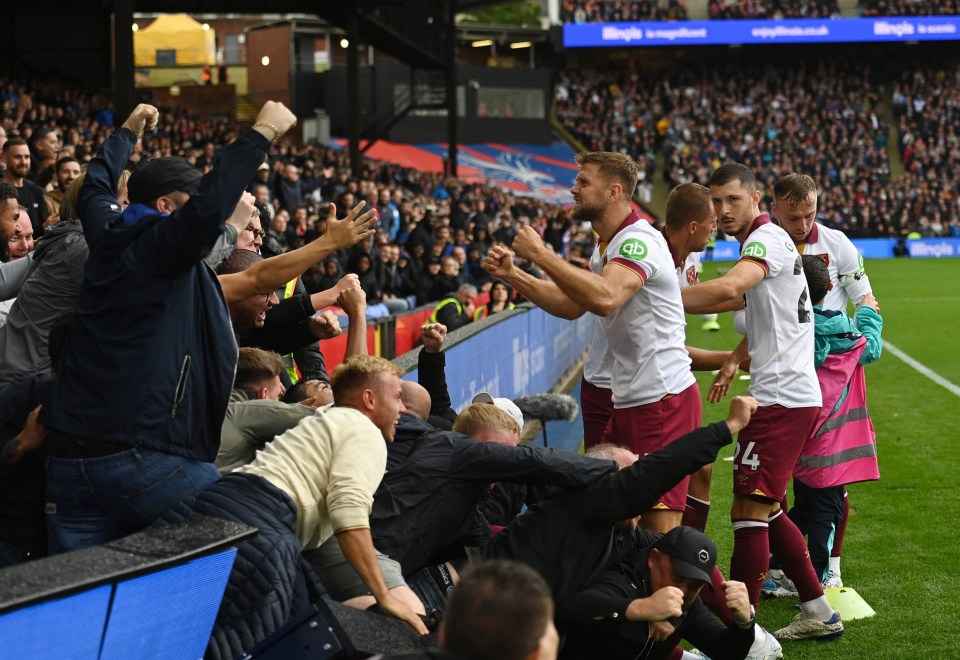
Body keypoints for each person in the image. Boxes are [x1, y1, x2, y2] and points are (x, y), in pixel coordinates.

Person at [40, 101, 376, 553]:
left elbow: (97, 183)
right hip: (140, 453)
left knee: (79, 599)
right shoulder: (161, 249)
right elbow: (207, 217)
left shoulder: (108, 231)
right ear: (164, 207)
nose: (206, 217)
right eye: (189, 202)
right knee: (253, 544)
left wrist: (127, 131)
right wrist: (262, 133)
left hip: (68, 459)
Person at [485, 151, 699, 535]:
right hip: (632, 397)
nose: (573, 188)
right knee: (612, 509)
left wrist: (540, 254)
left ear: (614, 191)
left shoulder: (638, 242)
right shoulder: (608, 245)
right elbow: (572, 306)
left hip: (662, 399)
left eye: (584, 182)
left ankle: (712, 597)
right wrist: (514, 275)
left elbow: (604, 297)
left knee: (657, 527)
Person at [161, 355, 428, 659]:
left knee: (303, 625)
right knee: (251, 648)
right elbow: (348, 513)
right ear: (369, 399)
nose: (403, 409)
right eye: (397, 398)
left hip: (224, 503)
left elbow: (352, 372)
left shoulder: (332, 416)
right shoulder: (365, 431)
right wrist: (384, 596)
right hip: (260, 524)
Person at [681, 163, 843, 641]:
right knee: (766, 507)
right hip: (782, 394)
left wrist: (653, 293)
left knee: (748, 512)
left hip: (781, 399)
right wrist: (726, 360)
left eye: (732, 199)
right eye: (715, 201)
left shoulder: (763, 240)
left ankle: (741, 629)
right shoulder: (771, 244)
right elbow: (745, 304)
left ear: (757, 201)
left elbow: (731, 289)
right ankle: (817, 609)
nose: (722, 210)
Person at [483, 395, 757, 608]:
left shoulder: (623, 534)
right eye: (627, 479)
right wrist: (729, 426)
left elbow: (680, 550)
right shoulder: (579, 510)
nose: (640, 500)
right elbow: (655, 472)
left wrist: (745, 627)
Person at [729, 255, 880, 593]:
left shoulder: (793, 332)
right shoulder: (846, 330)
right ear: (830, 287)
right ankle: (821, 581)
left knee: (804, 505)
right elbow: (871, 348)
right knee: (825, 510)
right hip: (832, 440)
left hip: (799, 431)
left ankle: (775, 566)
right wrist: (868, 311)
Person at [767, 173, 875, 588]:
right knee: (788, 479)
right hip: (785, 373)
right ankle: (782, 564)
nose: (803, 223)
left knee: (831, 478)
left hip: (831, 376)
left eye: (809, 214)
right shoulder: (764, 245)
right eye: (794, 216)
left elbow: (864, 294)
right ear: (775, 208)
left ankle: (829, 568)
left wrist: (859, 319)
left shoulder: (837, 243)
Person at [558, 526, 779, 660]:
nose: (682, 591)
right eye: (677, 578)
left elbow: (725, 652)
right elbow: (572, 608)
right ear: (654, 559)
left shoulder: (687, 603)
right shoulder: (625, 578)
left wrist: (744, 623)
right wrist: (640, 610)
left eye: (694, 586)